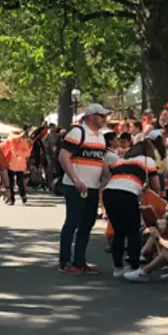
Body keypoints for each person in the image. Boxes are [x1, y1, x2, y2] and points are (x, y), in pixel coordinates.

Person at [58, 104, 110, 274]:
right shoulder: (78, 132)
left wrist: (106, 178)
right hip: (75, 185)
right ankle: (65, 260)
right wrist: (75, 179)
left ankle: (79, 261)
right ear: (91, 116)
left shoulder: (101, 137)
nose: (105, 119)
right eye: (101, 115)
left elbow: (99, 161)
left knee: (87, 223)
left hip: (92, 186)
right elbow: (64, 156)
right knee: (73, 221)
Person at [104, 139, 158, 277]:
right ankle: (134, 267)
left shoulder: (121, 161)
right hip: (128, 194)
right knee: (132, 231)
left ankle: (118, 267)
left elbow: (112, 176)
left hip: (109, 192)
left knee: (119, 231)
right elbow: (156, 185)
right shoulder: (148, 161)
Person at [4, 129, 30, 204]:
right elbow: (27, 153)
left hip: (16, 164)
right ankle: (19, 197)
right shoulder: (12, 141)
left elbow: (27, 153)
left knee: (15, 181)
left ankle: (16, 197)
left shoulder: (19, 141)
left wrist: (19, 153)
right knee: (16, 181)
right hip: (14, 164)